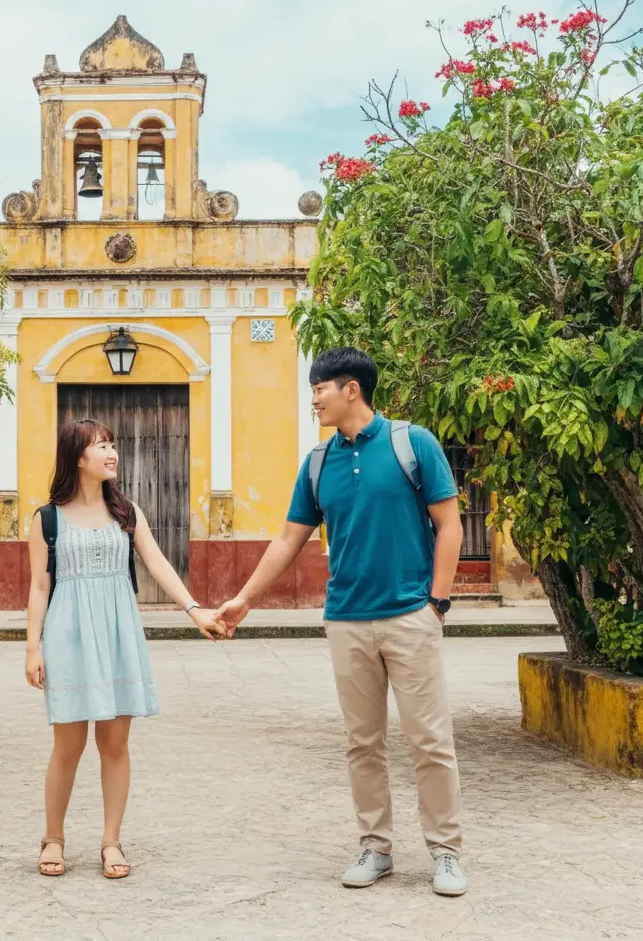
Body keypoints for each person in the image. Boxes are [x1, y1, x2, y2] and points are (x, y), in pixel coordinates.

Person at [218, 347, 469, 897]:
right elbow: (289, 539)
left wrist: (437, 604)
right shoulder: (317, 463)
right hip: (347, 621)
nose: (314, 399)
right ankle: (375, 848)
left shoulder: (413, 443)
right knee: (362, 743)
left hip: (410, 616)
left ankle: (445, 852)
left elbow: (448, 524)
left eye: (320, 389)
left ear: (351, 389)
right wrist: (244, 601)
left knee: (430, 741)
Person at [26, 418, 225, 880]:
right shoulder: (47, 518)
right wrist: (32, 648)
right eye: (101, 446)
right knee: (68, 746)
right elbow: (39, 586)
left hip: (118, 634)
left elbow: (157, 563)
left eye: (112, 445)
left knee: (115, 745)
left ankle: (111, 841)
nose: (112, 453)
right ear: (78, 458)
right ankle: (53, 836)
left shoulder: (127, 513)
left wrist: (195, 610)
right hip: (69, 635)